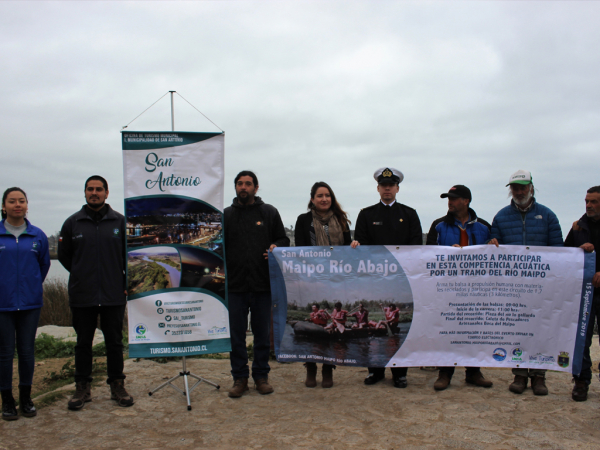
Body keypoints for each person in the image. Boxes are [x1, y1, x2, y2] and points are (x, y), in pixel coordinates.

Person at [58, 176, 133, 410]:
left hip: (113, 293)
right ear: (85, 193)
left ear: (107, 193)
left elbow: (129, 258)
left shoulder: (120, 222)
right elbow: (64, 256)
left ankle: (117, 385)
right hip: (83, 294)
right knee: (83, 343)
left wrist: (121, 280)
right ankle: (82, 387)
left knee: (114, 343)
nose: (94, 193)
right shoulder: (73, 223)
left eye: (99, 189)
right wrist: (82, 274)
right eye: (90, 189)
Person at [488, 170, 563, 396]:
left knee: (541, 329)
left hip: (541, 284)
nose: (519, 191)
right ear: (510, 189)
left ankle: (539, 376)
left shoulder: (548, 215)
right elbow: (493, 246)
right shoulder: (501, 216)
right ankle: (519, 374)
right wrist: (491, 243)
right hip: (513, 286)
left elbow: (558, 251)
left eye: (523, 187)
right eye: (515, 187)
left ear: (531, 187)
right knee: (517, 330)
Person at [354, 167, 423, 388]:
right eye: (383, 186)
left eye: (391, 185)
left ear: (397, 188)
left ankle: (400, 372)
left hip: (400, 277)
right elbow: (362, 245)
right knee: (373, 337)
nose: (387, 189)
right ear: (378, 188)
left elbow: (416, 247)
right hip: (374, 277)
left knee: (397, 334)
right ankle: (375, 370)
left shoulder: (409, 214)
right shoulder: (366, 214)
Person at [224, 170, 289, 398]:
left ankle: (261, 376)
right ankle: (239, 378)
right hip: (235, 286)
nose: (244, 187)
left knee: (262, 334)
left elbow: (283, 239)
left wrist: (274, 247)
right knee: (236, 336)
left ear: (256, 187)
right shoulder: (226, 215)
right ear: (235, 187)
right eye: (240, 184)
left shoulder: (269, 212)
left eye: (248, 184)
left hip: (263, 285)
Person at [426, 184, 494, 391]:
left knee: (473, 329)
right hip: (447, 286)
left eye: (454, 198)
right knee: (447, 329)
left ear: (466, 201)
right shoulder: (438, 225)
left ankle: (473, 372)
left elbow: (492, 255)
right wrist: (448, 252)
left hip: (476, 287)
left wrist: (493, 246)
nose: (450, 202)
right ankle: (445, 372)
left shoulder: (483, 226)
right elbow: (427, 254)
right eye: (449, 198)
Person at [295, 181, 357, 388]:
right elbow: (299, 251)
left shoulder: (341, 220)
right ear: (312, 199)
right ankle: (311, 368)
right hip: (312, 277)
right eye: (320, 196)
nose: (324, 199)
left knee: (329, 315)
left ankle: (328, 368)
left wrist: (354, 245)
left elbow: (348, 248)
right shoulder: (303, 220)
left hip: (336, 277)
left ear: (332, 198)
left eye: (327, 195)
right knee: (315, 324)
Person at [0, 188, 50, 421]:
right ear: (4, 206)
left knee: (27, 352)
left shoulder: (37, 236)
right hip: (3, 305)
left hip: (30, 304)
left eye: (21, 201)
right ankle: (7, 401)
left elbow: (43, 266)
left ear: (27, 205)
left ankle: (26, 399)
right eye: (12, 201)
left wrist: (30, 286)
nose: (17, 205)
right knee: (5, 353)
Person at [565, 186, 600, 401]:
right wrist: (579, 250)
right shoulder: (578, 228)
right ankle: (581, 381)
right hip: (584, 293)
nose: (589, 205)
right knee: (582, 339)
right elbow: (565, 254)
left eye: (594, 201)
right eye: (587, 201)